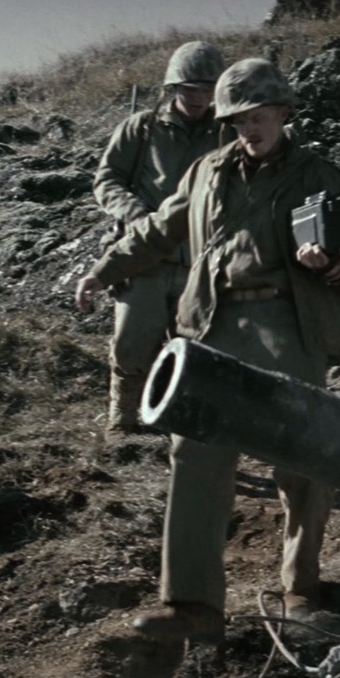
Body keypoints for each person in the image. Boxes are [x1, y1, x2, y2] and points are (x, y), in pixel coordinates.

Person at [74, 58, 340, 641]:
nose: (249, 128)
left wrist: (336, 265)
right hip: (212, 326)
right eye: (238, 120)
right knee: (195, 455)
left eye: (259, 116)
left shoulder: (321, 175)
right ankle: (193, 605)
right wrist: (103, 270)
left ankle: (301, 590)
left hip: (287, 327)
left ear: (284, 113)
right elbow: (157, 231)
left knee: (303, 461)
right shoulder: (206, 171)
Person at [93, 40, 229, 433]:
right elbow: (107, 180)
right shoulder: (141, 128)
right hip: (145, 256)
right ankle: (123, 421)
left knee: (196, 347)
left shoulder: (227, 132)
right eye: (190, 89)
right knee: (132, 344)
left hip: (201, 259)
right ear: (173, 88)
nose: (199, 98)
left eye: (207, 89)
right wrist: (135, 213)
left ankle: (178, 422)